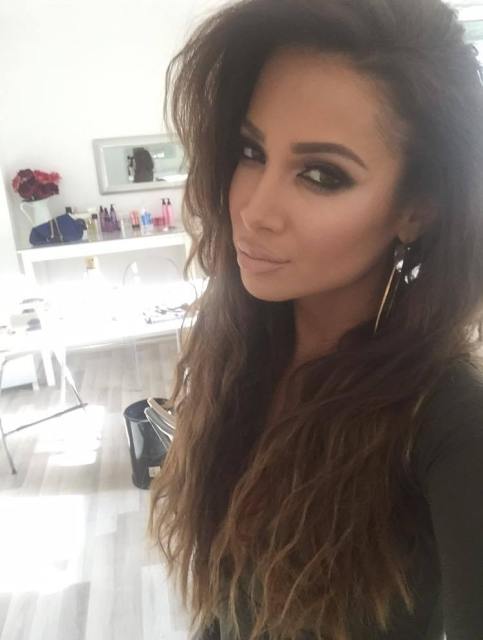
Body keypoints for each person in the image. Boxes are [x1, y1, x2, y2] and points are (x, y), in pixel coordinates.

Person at [149, 1, 483, 639]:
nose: (255, 210)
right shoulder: (243, 347)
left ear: (416, 210)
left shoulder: (450, 418)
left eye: (321, 175)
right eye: (251, 151)